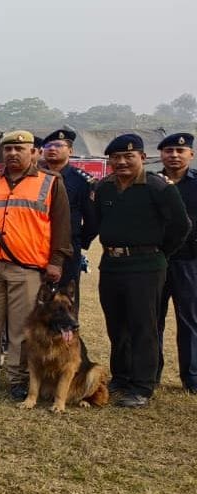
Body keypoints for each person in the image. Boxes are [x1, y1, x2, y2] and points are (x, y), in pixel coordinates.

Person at [0, 130, 72, 401]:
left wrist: (56, 261)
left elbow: (62, 226)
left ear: (33, 152)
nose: (12, 153)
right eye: (8, 149)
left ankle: (18, 378)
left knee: (21, 327)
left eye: (19, 149)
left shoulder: (50, 182)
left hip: (28, 266)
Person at [93, 134, 190, 407]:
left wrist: (158, 253)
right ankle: (121, 377)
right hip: (111, 264)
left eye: (128, 157)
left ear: (143, 158)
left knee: (143, 326)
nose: (121, 162)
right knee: (116, 325)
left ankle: (142, 385)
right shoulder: (105, 188)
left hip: (146, 266)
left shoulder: (159, 187)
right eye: (116, 158)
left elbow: (180, 226)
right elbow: (99, 222)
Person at [40, 129, 99, 317]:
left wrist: (78, 240)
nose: (52, 149)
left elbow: (92, 219)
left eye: (58, 145)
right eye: (48, 146)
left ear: (70, 151)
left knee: (66, 301)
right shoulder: (35, 177)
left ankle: (67, 342)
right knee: (36, 301)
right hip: (36, 246)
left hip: (67, 249)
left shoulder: (81, 181)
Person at [156, 132, 197, 394]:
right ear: (160, 155)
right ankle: (150, 372)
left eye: (179, 151)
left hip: (189, 261)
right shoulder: (152, 182)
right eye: (168, 151)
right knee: (152, 319)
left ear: (190, 155)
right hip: (156, 260)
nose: (174, 155)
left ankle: (191, 376)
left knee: (190, 319)